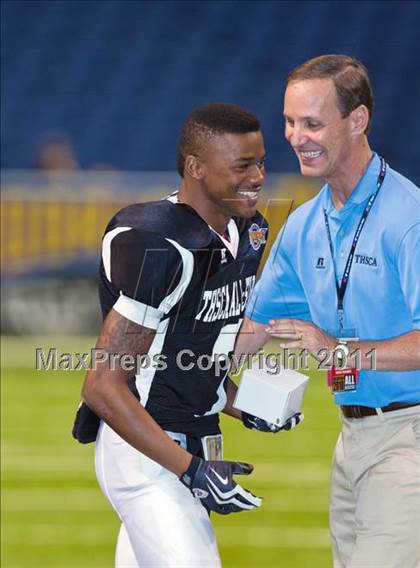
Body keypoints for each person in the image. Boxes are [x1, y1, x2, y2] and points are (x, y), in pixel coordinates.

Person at [72, 103, 302, 568]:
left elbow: (193, 358)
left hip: (192, 442)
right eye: (242, 165)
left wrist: (247, 407)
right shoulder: (158, 242)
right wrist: (192, 471)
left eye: (260, 162)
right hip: (146, 452)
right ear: (196, 168)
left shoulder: (249, 230)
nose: (258, 176)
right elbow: (102, 386)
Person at [234, 55, 420, 568]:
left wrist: (336, 350)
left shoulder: (409, 219)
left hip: (410, 442)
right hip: (351, 439)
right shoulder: (304, 224)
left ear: (357, 121)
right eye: (290, 122)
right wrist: (190, 385)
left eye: (312, 123)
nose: (296, 137)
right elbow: (256, 323)